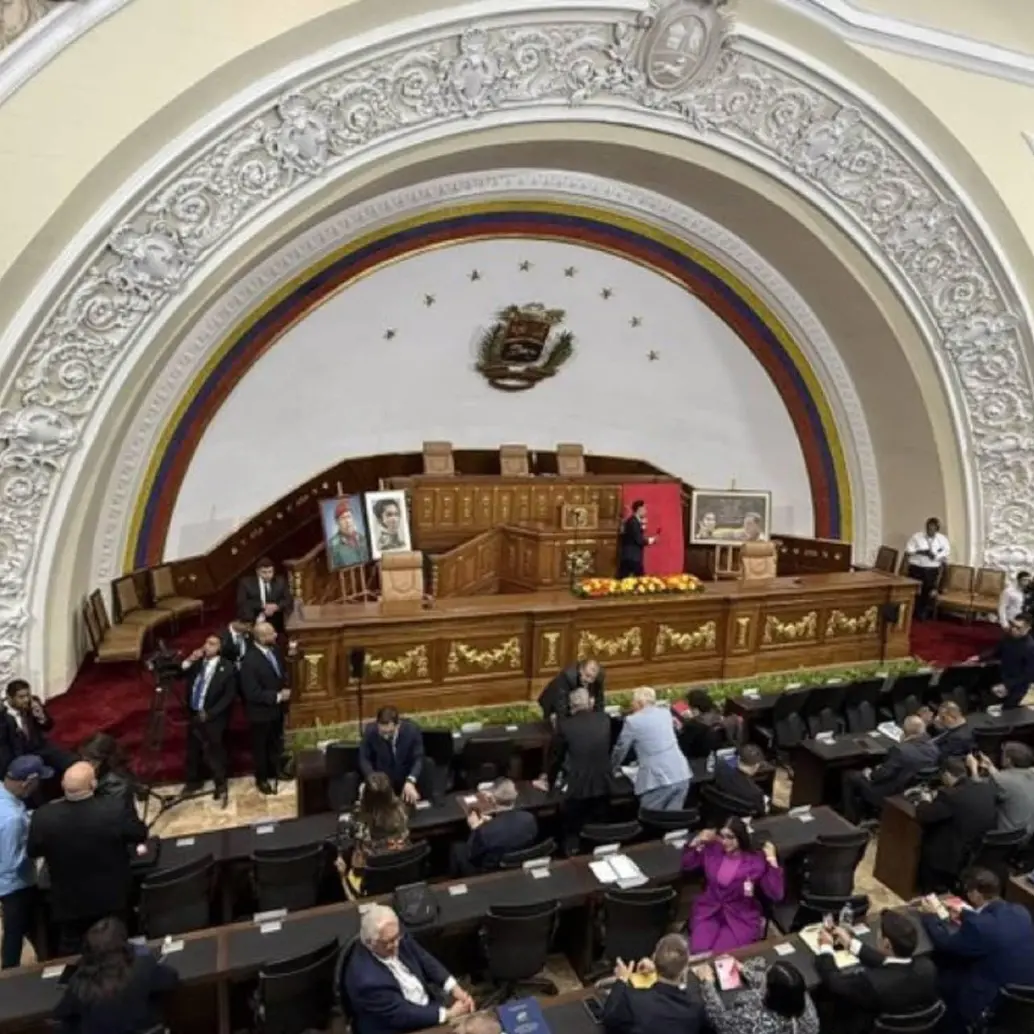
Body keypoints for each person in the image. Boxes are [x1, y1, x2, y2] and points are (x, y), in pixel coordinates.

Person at [27, 761, 148, 956]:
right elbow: (139, 833)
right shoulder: (113, 811)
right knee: (120, 949)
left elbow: (33, 850)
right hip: (112, 898)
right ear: (93, 785)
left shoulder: (43, 817)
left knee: (74, 954)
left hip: (68, 903)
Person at [919, 868, 1034, 1032]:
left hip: (988, 999)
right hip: (1023, 999)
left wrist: (930, 916)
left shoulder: (979, 927)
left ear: (975, 894)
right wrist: (965, 914)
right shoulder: (1020, 912)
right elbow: (994, 923)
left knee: (937, 969)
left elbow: (946, 943)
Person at [342, 904, 475, 1034]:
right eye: (388, 942)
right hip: (397, 1028)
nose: (396, 945)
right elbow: (403, 1015)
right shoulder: (367, 982)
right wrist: (449, 1014)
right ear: (370, 942)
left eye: (396, 937)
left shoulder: (394, 934)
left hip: (425, 1006)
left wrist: (455, 988)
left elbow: (424, 959)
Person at [814, 910, 940, 1034]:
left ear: (886, 944)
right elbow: (890, 964)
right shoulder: (928, 967)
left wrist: (826, 947)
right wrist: (849, 943)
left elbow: (834, 981)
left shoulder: (872, 982)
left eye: (879, 933)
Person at [53, 917, 179, 1034]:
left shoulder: (80, 982)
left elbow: (60, 1014)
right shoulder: (142, 963)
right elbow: (171, 979)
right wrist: (140, 950)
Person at [681, 819, 784, 953]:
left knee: (721, 956)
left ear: (740, 837)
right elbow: (688, 864)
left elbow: (776, 893)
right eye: (722, 836)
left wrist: (772, 861)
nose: (725, 842)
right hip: (709, 911)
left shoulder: (755, 860)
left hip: (740, 917)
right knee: (699, 950)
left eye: (730, 837)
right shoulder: (713, 849)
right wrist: (696, 841)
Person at [533, 687, 613, 852]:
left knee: (572, 829)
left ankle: (573, 853)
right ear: (589, 703)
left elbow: (556, 758)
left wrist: (549, 781)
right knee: (599, 826)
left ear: (571, 706)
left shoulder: (565, 726)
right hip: (604, 782)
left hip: (578, 787)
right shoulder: (604, 719)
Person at [915, 756, 997, 893]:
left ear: (946, 774)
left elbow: (924, 816)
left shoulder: (950, 796)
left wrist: (924, 801)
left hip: (947, 854)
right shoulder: (984, 788)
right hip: (972, 850)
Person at [841, 714, 938, 824]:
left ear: (904, 731)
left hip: (887, 792)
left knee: (849, 775)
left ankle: (850, 819)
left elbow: (881, 775)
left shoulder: (901, 750)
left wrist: (870, 773)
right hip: (910, 792)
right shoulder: (933, 749)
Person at [601, 933, 705, 1034]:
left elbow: (609, 1018)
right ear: (685, 969)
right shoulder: (696, 1006)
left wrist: (621, 980)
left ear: (654, 957)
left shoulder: (633, 1001)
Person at [0, 756, 49, 969]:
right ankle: (10, 976)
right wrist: (39, 848)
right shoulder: (13, 820)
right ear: (28, 782)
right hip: (16, 887)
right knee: (16, 933)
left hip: (11, 884)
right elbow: (12, 863)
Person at [180, 634, 237, 806]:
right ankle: (193, 781)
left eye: (212, 643)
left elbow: (228, 696)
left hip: (213, 717)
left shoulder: (227, 668)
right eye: (206, 642)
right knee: (193, 749)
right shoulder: (197, 663)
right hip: (194, 713)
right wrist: (190, 659)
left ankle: (220, 783)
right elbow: (179, 671)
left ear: (220, 648)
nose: (207, 646)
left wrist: (211, 713)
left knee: (215, 751)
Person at [611, 687, 690, 811]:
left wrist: (612, 768)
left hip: (657, 779)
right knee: (673, 820)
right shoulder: (665, 713)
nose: (632, 705)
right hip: (680, 773)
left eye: (633, 702)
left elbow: (621, 748)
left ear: (640, 703)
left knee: (649, 819)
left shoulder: (633, 721)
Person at [695, 957, 819, 1034]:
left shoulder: (751, 1019)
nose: (762, 977)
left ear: (768, 992)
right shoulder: (801, 1000)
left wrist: (706, 982)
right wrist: (743, 969)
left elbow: (719, 1021)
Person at [239, 620, 290, 795]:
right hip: (260, 713)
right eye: (270, 634)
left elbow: (280, 673)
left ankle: (275, 771)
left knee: (276, 743)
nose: (275, 636)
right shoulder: (249, 661)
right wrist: (277, 696)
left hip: (277, 710)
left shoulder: (275, 650)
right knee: (261, 747)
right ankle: (262, 779)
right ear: (260, 638)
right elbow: (252, 692)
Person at [340, 772, 410, 898]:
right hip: (402, 870)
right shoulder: (402, 811)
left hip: (373, 879)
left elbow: (347, 826)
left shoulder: (360, 823)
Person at [450, 777, 537, 875]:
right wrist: (491, 823)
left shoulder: (484, 831)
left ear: (492, 799)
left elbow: (472, 855)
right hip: (518, 862)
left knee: (457, 848)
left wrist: (475, 828)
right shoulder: (529, 818)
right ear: (516, 796)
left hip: (491, 869)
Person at [0, 679, 72, 779]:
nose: (26, 700)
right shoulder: (2, 715)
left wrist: (41, 716)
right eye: (21, 697)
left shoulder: (33, 703)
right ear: (9, 698)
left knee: (69, 761)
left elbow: (48, 726)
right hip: (17, 756)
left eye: (28, 695)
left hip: (38, 747)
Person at [358, 706, 424, 804]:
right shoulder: (370, 731)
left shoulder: (412, 731)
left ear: (398, 725)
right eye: (382, 732)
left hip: (405, 778)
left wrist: (410, 781)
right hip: (382, 782)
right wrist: (372, 779)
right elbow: (364, 758)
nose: (385, 736)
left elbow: (418, 758)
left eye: (390, 733)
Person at [969, 612, 1034, 708]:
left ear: (1028, 629)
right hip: (1002, 675)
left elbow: (1029, 675)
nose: (1013, 629)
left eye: (1018, 628)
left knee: (1005, 712)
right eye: (1013, 625)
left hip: (1016, 687)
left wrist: (1007, 685)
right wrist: (980, 657)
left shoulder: (1030, 648)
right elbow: (997, 649)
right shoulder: (1009, 636)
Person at [968, 742, 1034, 836]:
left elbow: (977, 791)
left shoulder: (1002, 780)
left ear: (1008, 760)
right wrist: (990, 767)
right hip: (1028, 835)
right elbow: (1010, 782)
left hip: (1005, 837)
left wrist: (973, 769)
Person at [904, 517, 949, 620]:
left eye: (933, 529)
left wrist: (936, 556)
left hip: (931, 569)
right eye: (929, 528)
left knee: (927, 590)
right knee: (915, 589)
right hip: (916, 567)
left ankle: (923, 612)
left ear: (937, 529)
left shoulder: (942, 539)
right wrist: (921, 552)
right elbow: (908, 550)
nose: (930, 531)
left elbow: (945, 551)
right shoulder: (917, 536)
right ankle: (912, 610)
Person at [235, 556, 293, 634]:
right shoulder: (245, 583)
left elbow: (288, 599)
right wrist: (263, 606)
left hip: (276, 618)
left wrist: (276, 606)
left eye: (270, 572)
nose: (267, 575)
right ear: (257, 572)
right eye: (264, 572)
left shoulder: (281, 581)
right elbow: (242, 602)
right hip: (254, 618)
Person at [78, 734, 135, 812]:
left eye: (90, 761)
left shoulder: (117, 784)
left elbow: (106, 814)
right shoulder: (91, 769)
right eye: (83, 758)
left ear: (105, 761)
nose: (84, 765)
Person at [676, 688, 738, 758]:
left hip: (702, 758)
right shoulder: (719, 716)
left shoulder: (694, 726)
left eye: (689, 706)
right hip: (725, 753)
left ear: (695, 708)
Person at [537, 658, 605, 719]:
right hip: (552, 701)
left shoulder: (598, 678)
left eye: (592, 678)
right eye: (587, 676)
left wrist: (598, 719)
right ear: (581, 670)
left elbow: (599, 702)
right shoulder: (566, 677)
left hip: (572, 703)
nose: (589, 680)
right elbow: (561, 707)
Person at [713, 744, 768, 816]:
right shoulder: (755, 793)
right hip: (742, 816)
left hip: (721, 810)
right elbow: (762, 813)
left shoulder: (720, 766)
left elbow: (730, 762)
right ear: (756, 765)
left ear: (738, 758)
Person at [617, 500, 655, 578]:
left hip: (630, 557)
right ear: (639, 509)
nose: (646, 511)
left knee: (623, 579)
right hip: (632, 557)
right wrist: (652, 540)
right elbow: (639, 540)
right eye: (644, 509)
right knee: (641, 580)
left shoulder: (635, 521)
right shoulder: (633, 522)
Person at [328, 499, 369, 568]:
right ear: (337, 522)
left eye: (349, 517)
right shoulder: (333, 545)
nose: (347, 521)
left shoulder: (363, 539)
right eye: (343, 518)